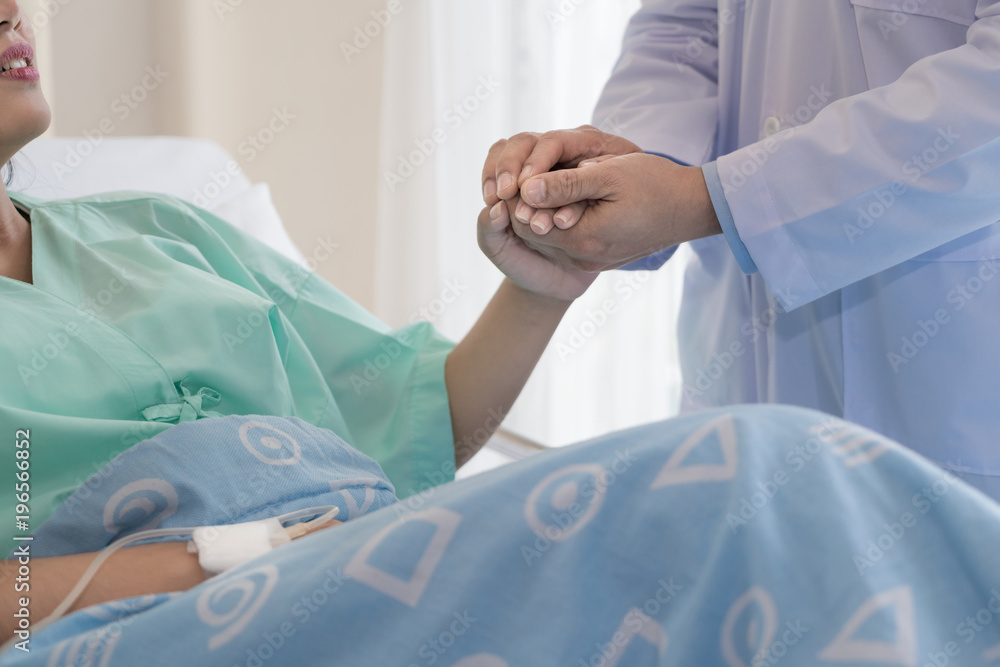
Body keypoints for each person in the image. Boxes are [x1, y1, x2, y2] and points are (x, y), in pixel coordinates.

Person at [0, 0, 598, 620]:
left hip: (366, 580)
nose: (12, 12)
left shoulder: (162, 228)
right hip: (227, 619)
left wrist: (542, 282)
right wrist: (239, 559)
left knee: (638, 504)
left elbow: (410, 427)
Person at [483, 0, 1000, 500]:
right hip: (737, 352)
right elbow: (684, 21)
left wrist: (707, 199)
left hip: (946, 359)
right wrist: (629, 165)